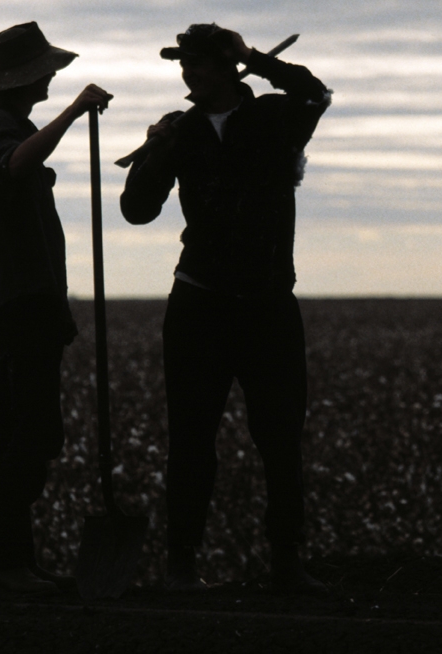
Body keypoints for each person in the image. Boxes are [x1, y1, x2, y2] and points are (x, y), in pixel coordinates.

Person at [120, 23, 331, 594]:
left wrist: (256, 58)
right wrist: (153, 152)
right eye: (184, 64)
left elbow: (316, 94)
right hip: (200, 303)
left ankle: (286, 563)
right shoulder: (180, 133)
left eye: (201, 63)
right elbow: (137, 210)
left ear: (226, 65)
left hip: (267, 304)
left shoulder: (272, 119)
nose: (189, 72)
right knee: (191, 439)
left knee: (281, 439)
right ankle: (181, 566)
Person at [0, 22, 112, 593]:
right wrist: (75, 112)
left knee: (27, 430)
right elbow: (16, 165)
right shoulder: (0, 127)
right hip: (22, 301)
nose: (53, 76)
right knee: (24, 433)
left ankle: (13, 558)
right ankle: (5, 562)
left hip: (33, 300)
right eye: (47, 70)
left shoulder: (10, 124)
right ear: (26, 76)